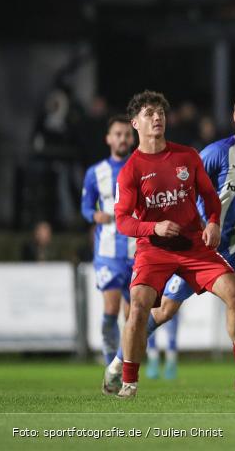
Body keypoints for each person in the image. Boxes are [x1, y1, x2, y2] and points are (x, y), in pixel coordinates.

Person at [106, 92, 235, 393]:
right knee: (161, 311)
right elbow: (187, 193)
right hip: (190, 246)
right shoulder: (213, 153)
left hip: (232, 245)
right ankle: (119, 364)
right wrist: (188, 225)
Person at [81, 115, 147, 367]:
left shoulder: (142, 167)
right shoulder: (95, 173)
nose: (122, 139)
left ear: (132, 138)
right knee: (110, 309)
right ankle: (111, 365)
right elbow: (86, 207)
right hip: (108, 252)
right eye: (117, 134)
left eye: (126, 134)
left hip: (137, 251)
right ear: (108, 139)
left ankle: (123, 363)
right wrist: (94, 215)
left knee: (133, 314)